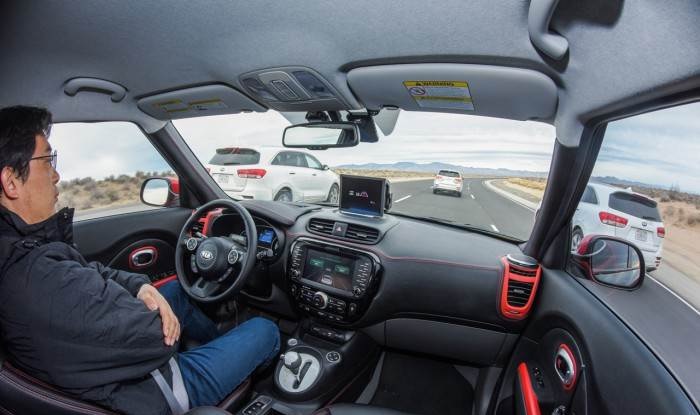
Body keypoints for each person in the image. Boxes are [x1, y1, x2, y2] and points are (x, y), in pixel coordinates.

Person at [0, 106, 280, 414]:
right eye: (47, 160)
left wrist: (140, 288)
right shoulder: (36, 278)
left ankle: (220, 346)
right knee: (265, 330)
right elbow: (157, 340)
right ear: (11, 181)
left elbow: (92, 270)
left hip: (114, 367)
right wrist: (151, 314)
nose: (56, 175)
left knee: (177, 293)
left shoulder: (26, 248)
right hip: (156, 389)